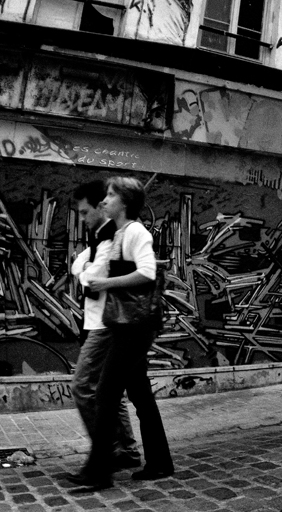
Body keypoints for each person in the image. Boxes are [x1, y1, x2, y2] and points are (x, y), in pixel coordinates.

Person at [68, 177, 173, 489]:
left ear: (125, 202)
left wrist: (105, 284)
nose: (105, 200)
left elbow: (147, 272)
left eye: (111, 196)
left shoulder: (135, 231)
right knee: (139, 394)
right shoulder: (118, 233)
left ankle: (99, 471)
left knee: (105, 392)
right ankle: (160, 462)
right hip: (124, 322)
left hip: (135, 326)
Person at [70, 181, 142, 472]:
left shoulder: (112, 236)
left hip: (107, 322)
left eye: (86, 211)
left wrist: (86, 270)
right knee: (109, 390)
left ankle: (107, 450)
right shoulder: (98, 236)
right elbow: (78, 266)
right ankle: (127, 450)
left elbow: (92, 277)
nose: (83, 217)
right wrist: (85, 268)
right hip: (98, 320)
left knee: (81, 386)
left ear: (102, 206)